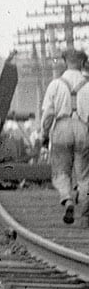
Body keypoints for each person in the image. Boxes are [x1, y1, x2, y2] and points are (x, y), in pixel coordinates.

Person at [39, 48, 89, 224]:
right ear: (83, 63)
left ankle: (67, 199)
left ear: (65, 62)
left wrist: (44, 135)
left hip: (61, 128)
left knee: (61, 169)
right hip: (83, 128)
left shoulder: (55, 84)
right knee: (84, 174)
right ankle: (85, 211)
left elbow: (47, 115)